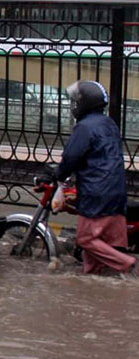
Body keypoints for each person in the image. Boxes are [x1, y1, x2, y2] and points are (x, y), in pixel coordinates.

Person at [56, 80, 137, 277]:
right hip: (116, 193)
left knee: (85, 240)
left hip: (96, 195)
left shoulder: (84, 128)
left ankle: (126, 263)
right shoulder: (109, 124)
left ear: (85, 103)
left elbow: (71, 158)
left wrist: (56, 175)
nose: (74, 105)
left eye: (77, 101)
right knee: (94, 263)